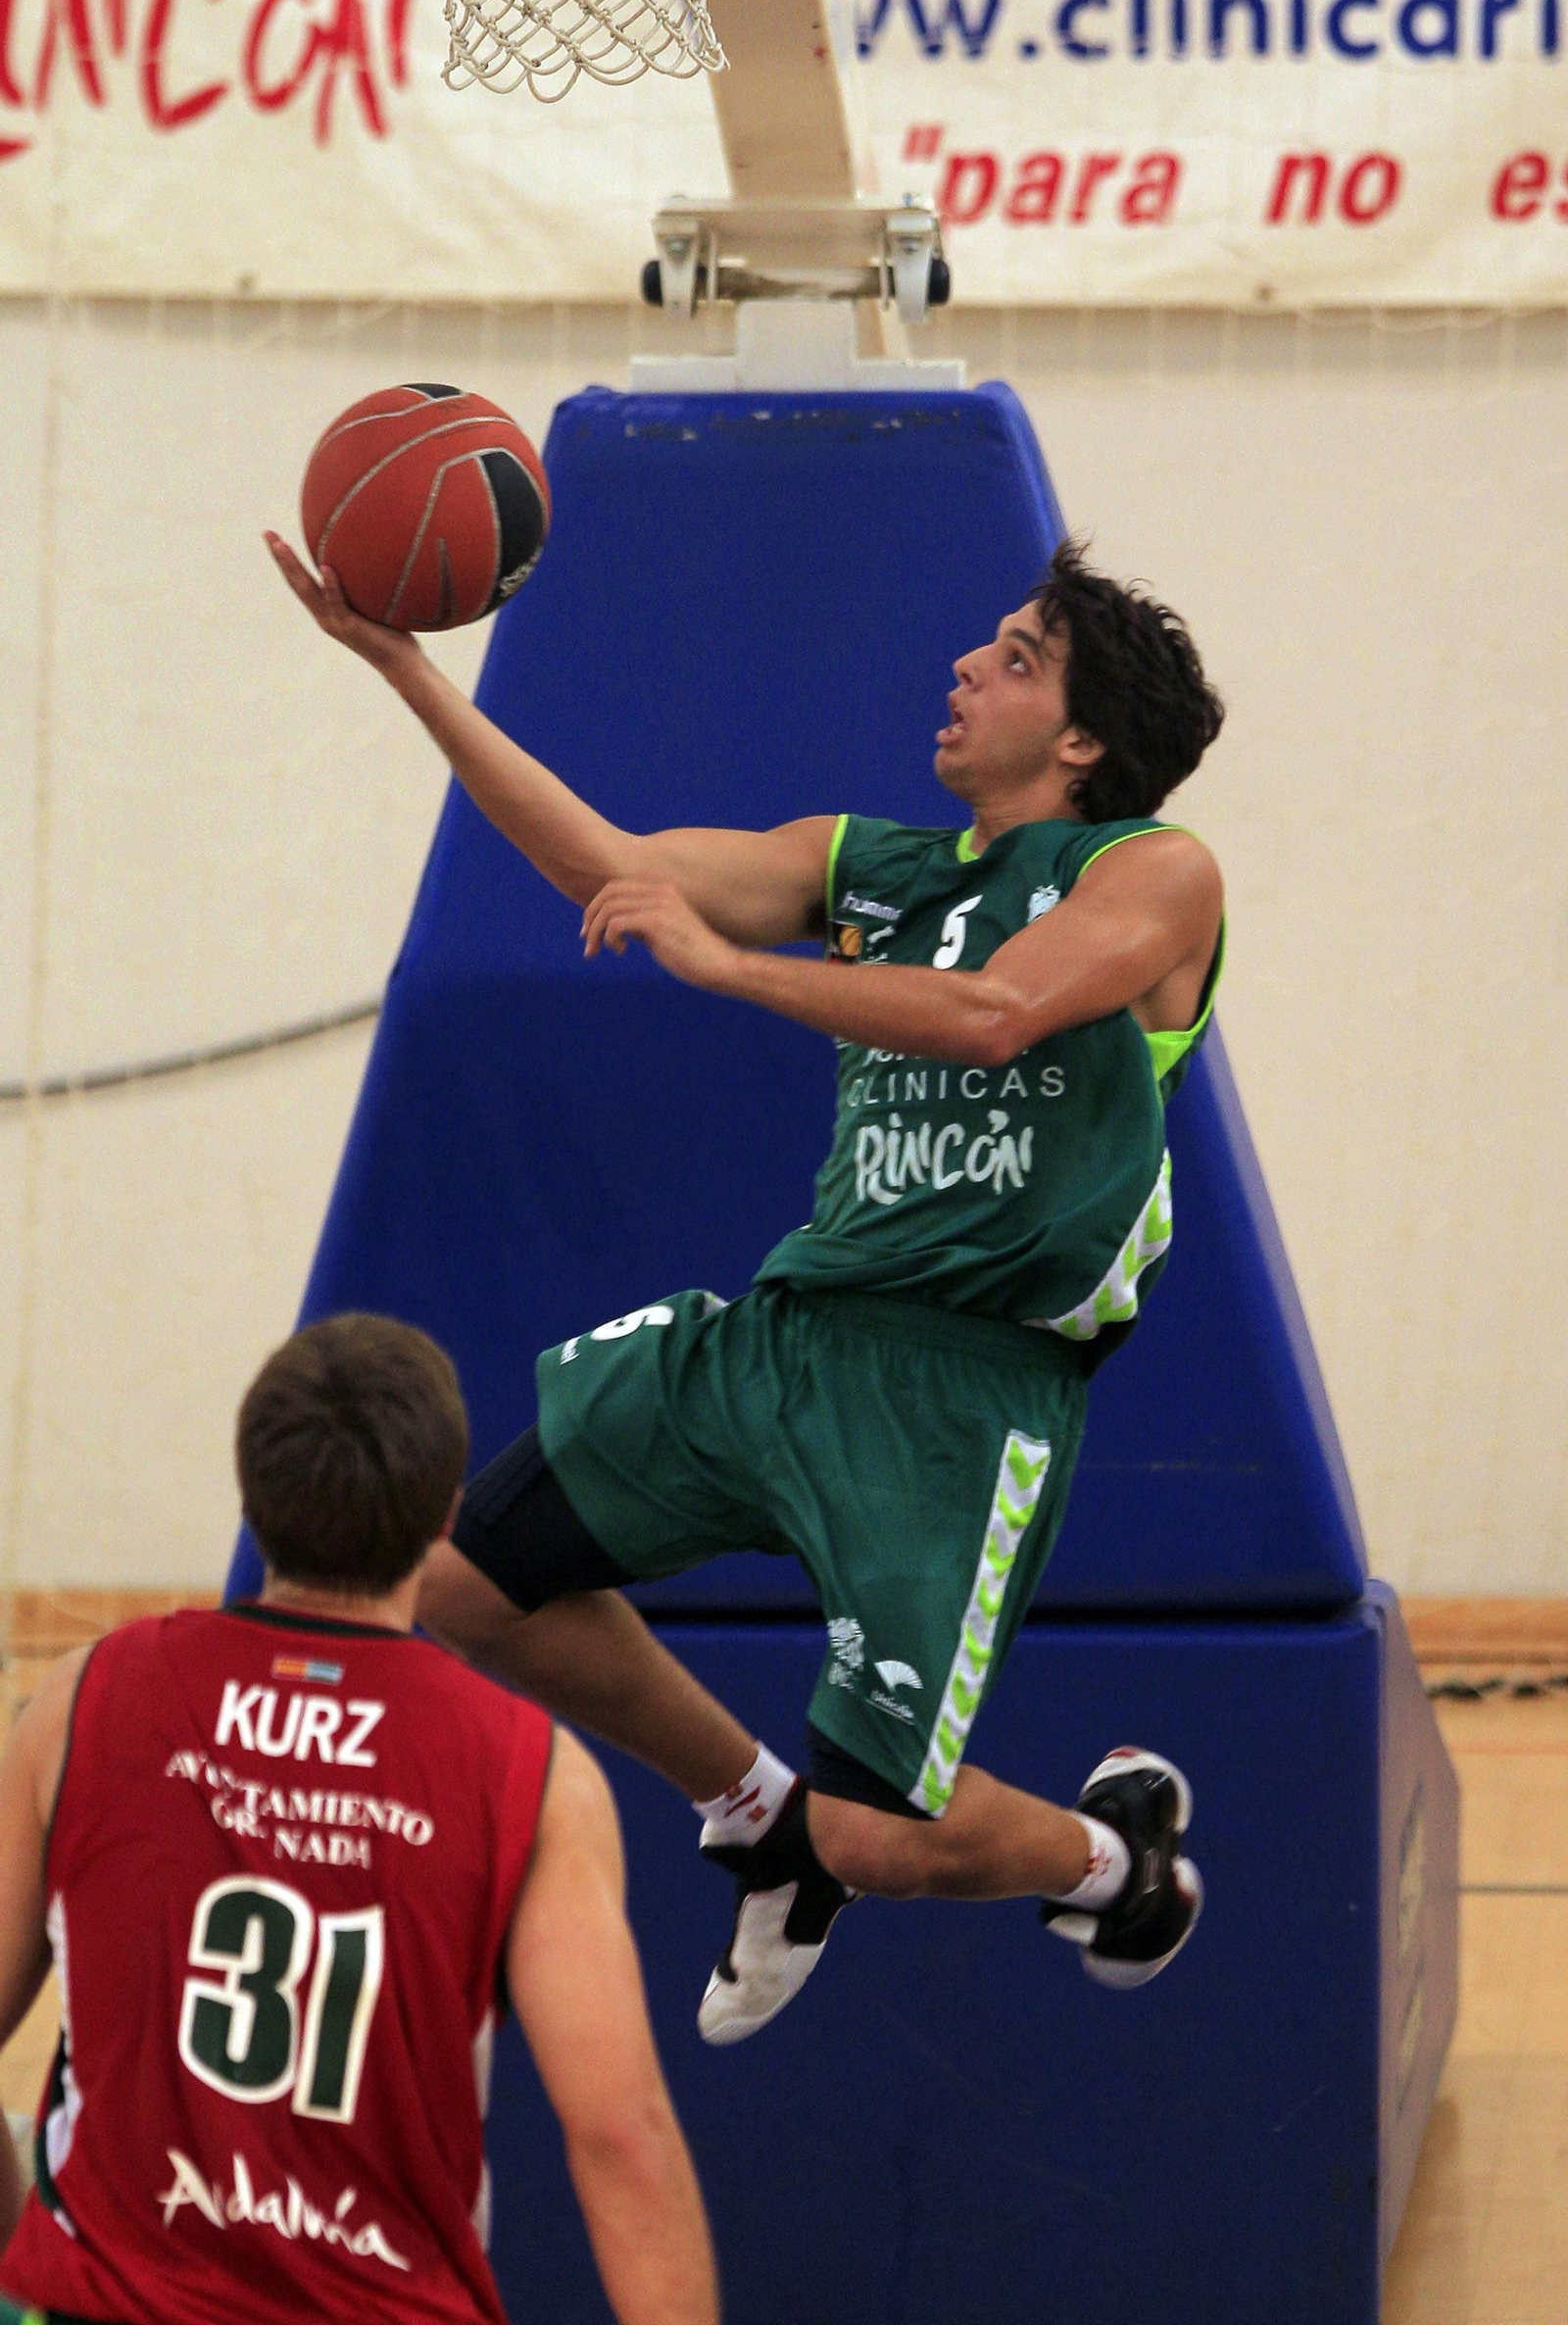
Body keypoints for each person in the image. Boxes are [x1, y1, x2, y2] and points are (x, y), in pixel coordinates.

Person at [265, 526, 1226, 2046]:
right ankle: (753, 1814)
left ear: (1083, 741)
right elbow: (611, 865)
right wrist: (405, 668)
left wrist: (723, 968)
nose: (966, 666)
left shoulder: (1154, 871)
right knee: (456, 1582)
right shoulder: (873, 866)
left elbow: (996, 1014)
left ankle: (1115, 1863)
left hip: (959, 1397)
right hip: (789, 1339)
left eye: (1016, 659)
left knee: (882, 1842)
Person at [0, 1315, 717, 2325]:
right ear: (444, 1517)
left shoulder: (81, 1700)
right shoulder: (532, 1773)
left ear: (250, 1495)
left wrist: (22, 2248)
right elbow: (621, 2138)